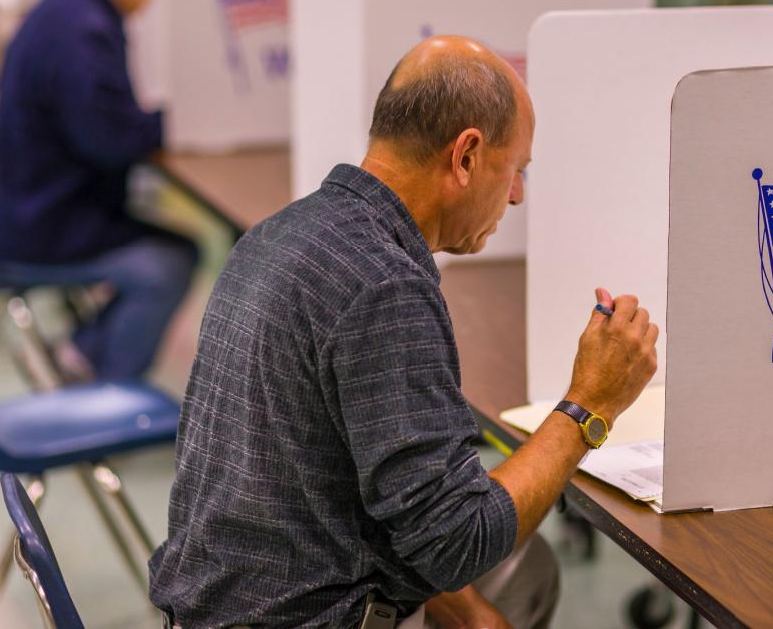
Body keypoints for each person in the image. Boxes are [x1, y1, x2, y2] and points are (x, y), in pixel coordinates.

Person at [149, 36, 659, 629]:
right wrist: (590, 404)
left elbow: (371, 492)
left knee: (523, 569)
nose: (517, 195)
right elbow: (458, 541)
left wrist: (466, 609)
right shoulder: (385, 287)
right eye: (515, 169)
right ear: (465, 156)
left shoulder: (281, 233)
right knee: (519, 569)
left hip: (219, 601)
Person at [0, 0, 197, 381]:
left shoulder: (64, 9)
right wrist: (178, 123)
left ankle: (80, 354)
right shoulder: (82, 29)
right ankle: (102, 388)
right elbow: (108, 140)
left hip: (16, 210)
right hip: (29, 230)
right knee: (170, 261)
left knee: (160, 237)